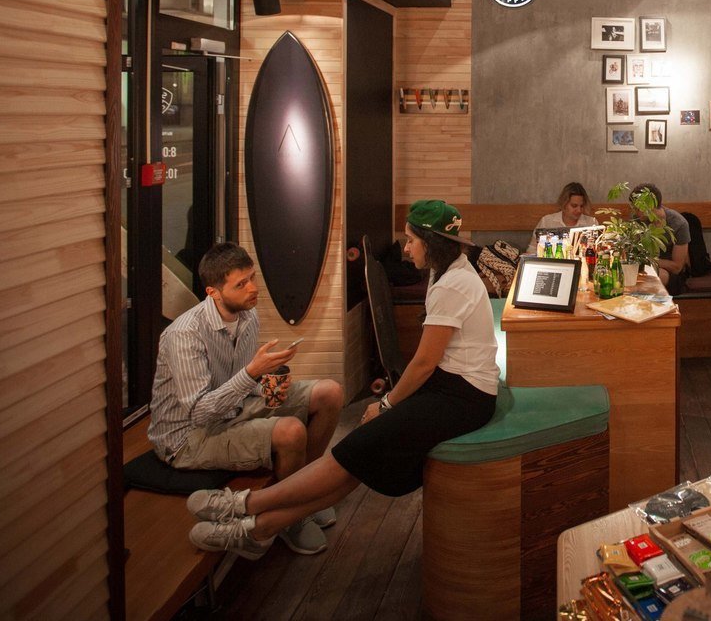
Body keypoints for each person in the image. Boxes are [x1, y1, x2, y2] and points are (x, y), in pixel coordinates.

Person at [184, 200, 499, 560]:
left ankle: (243, 504)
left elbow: (425, 362)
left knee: (354, 451)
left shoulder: (452, 284)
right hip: (454, 387)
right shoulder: (448, 271)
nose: (406, 249)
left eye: (412, 240)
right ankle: (259, 530)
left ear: (431, 243)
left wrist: (386, 404)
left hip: (463, 396)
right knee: (358, 458)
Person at [148, 242, 344, 554]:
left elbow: (242, 382)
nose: (253, 288)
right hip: (187, 437)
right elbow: (200, 413)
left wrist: (266, 385)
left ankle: (304, 494)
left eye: (252, 278)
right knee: (291, 431)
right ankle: (290, 518)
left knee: (329, 393)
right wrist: (253, 373)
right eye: (241, 284)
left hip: (231, 409)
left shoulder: (247, 316)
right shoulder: (185, 335)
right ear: (213, 292)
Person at [629, 182, 691, 293]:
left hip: (671, 274)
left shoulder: (678, 224)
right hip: (644, 267)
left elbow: (677, 267)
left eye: (637, 208)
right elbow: (633, 252)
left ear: (650, 205)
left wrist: (647, 260)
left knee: (653, 276)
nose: (635, 212)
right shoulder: (637, 220)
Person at [529, 181, 595, 250]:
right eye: (574, 206)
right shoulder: (547, 221)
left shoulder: (591, 223)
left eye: (581, 206)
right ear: (564, 203)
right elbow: (532, 249)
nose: (579, 210)